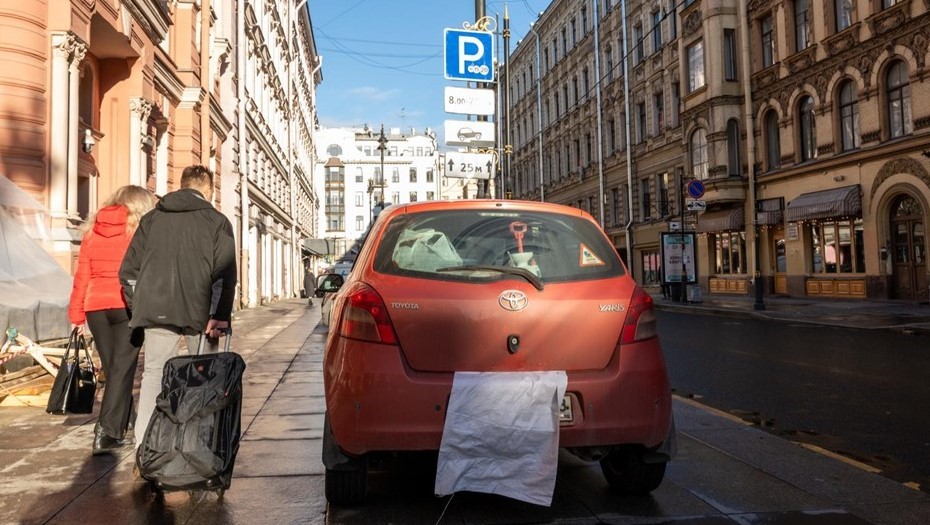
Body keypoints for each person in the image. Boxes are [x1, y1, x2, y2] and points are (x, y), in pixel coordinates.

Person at [119, 165, 237, 449]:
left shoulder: (151, 219)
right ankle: (196, 445)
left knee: (153, 374)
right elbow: (224, 274)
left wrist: (140, 305)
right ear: (208, 190)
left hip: (155, 309)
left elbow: (129, 272)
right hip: (201, 313)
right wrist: (219, 315)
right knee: (202, 375)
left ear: (182, 185)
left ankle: (144, 445)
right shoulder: (217, 221)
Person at [67, 185, 156, 455]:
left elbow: (82, 275)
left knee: (114, 367)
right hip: (125, 305)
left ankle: (126, 419)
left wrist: (76, 314)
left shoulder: (92, 231)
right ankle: (105, 432)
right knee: (121, 369)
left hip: (95, 308)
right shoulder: (137, 231)